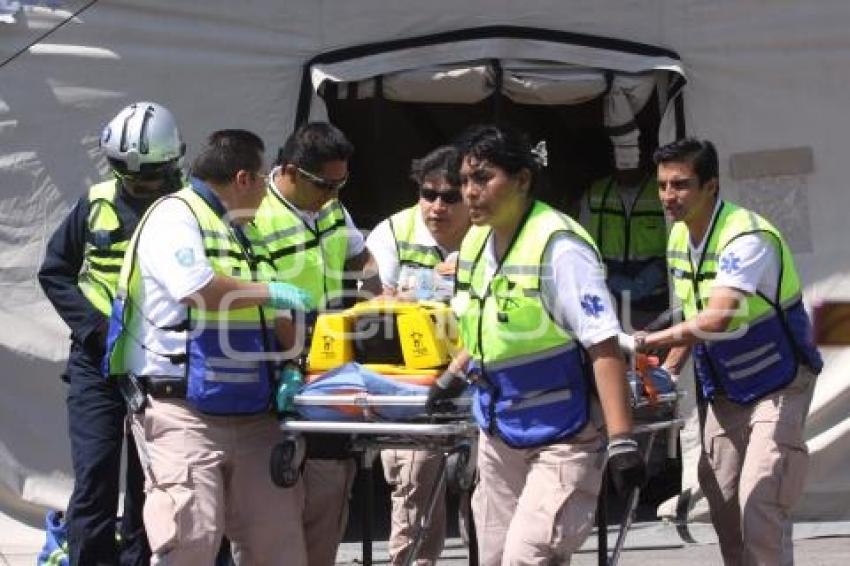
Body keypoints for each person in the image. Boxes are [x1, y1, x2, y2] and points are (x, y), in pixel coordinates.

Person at [427, 124, 646, 565]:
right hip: (499, 430)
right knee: (490, 558)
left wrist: (622, 441)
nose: (470, 192)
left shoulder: (558, 247)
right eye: (466, 180)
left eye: (483, 178)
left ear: (523, 179)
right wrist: (451, 377)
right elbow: (489, 323)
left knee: (527, 559)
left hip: (563, 433)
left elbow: (602, 345)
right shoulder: (474, 243)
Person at [104, 129, 312, 564]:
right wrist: (274, 292)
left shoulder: (242, 231)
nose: (267, 189)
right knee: (189, 542)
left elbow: (273, 313)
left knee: (278, 544)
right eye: (262, 178)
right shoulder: (174, 215)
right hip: (183, 412)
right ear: (243, 178)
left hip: (254, 411)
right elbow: (196, 288)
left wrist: (293, 365)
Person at [627, 138, 823, 566]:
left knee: (760, 497)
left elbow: (716, 319)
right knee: (723, 500)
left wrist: (646, 341)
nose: (667, 196)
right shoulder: (680, 236)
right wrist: (666, 371)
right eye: (662, 185)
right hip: (726, 385)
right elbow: (691, 314)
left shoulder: (745, 236)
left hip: (779, 380)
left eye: (680, 185)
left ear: (711, 186)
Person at [38, 101, 186, 566]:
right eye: (129, 174)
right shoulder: (96, 201)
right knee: (96, 474)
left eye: (149, 175)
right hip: (97, 359)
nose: (139, 183)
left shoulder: (188, 207)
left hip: (161, 360)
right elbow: (55, 271)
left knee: (150, 478)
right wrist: (93, 329)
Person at [249, 122, 372, 566]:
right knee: (274, 495)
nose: (333, 193)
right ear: (290, 171)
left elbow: (362, 257)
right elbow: (259, 296)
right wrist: (294, 359)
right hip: (275, 360)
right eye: (325, 183)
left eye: (342, 183)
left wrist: (384, 296)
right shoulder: (256, 213)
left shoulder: (333, 208)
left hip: (328, 361)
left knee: (330, 482)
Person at [364, 145, 470, 565]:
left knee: (483, 496)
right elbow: (375, 308)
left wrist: (413, 293)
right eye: (429, 194)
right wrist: (435, 286)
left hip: (480, 374)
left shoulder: (492, 230)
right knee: (413, 487)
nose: (437, 206)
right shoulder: (391, 232)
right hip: (413, 384)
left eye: (450, 197)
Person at [580, 145, 668, 331]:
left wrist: (658, 271)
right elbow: (581, 244)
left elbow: (679, 239)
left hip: (654, 299)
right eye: (620, 161)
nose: (625, 168)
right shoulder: (595, 194)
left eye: (631, 160)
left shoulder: (663, 193)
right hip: (607, 295)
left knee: (648, 352)